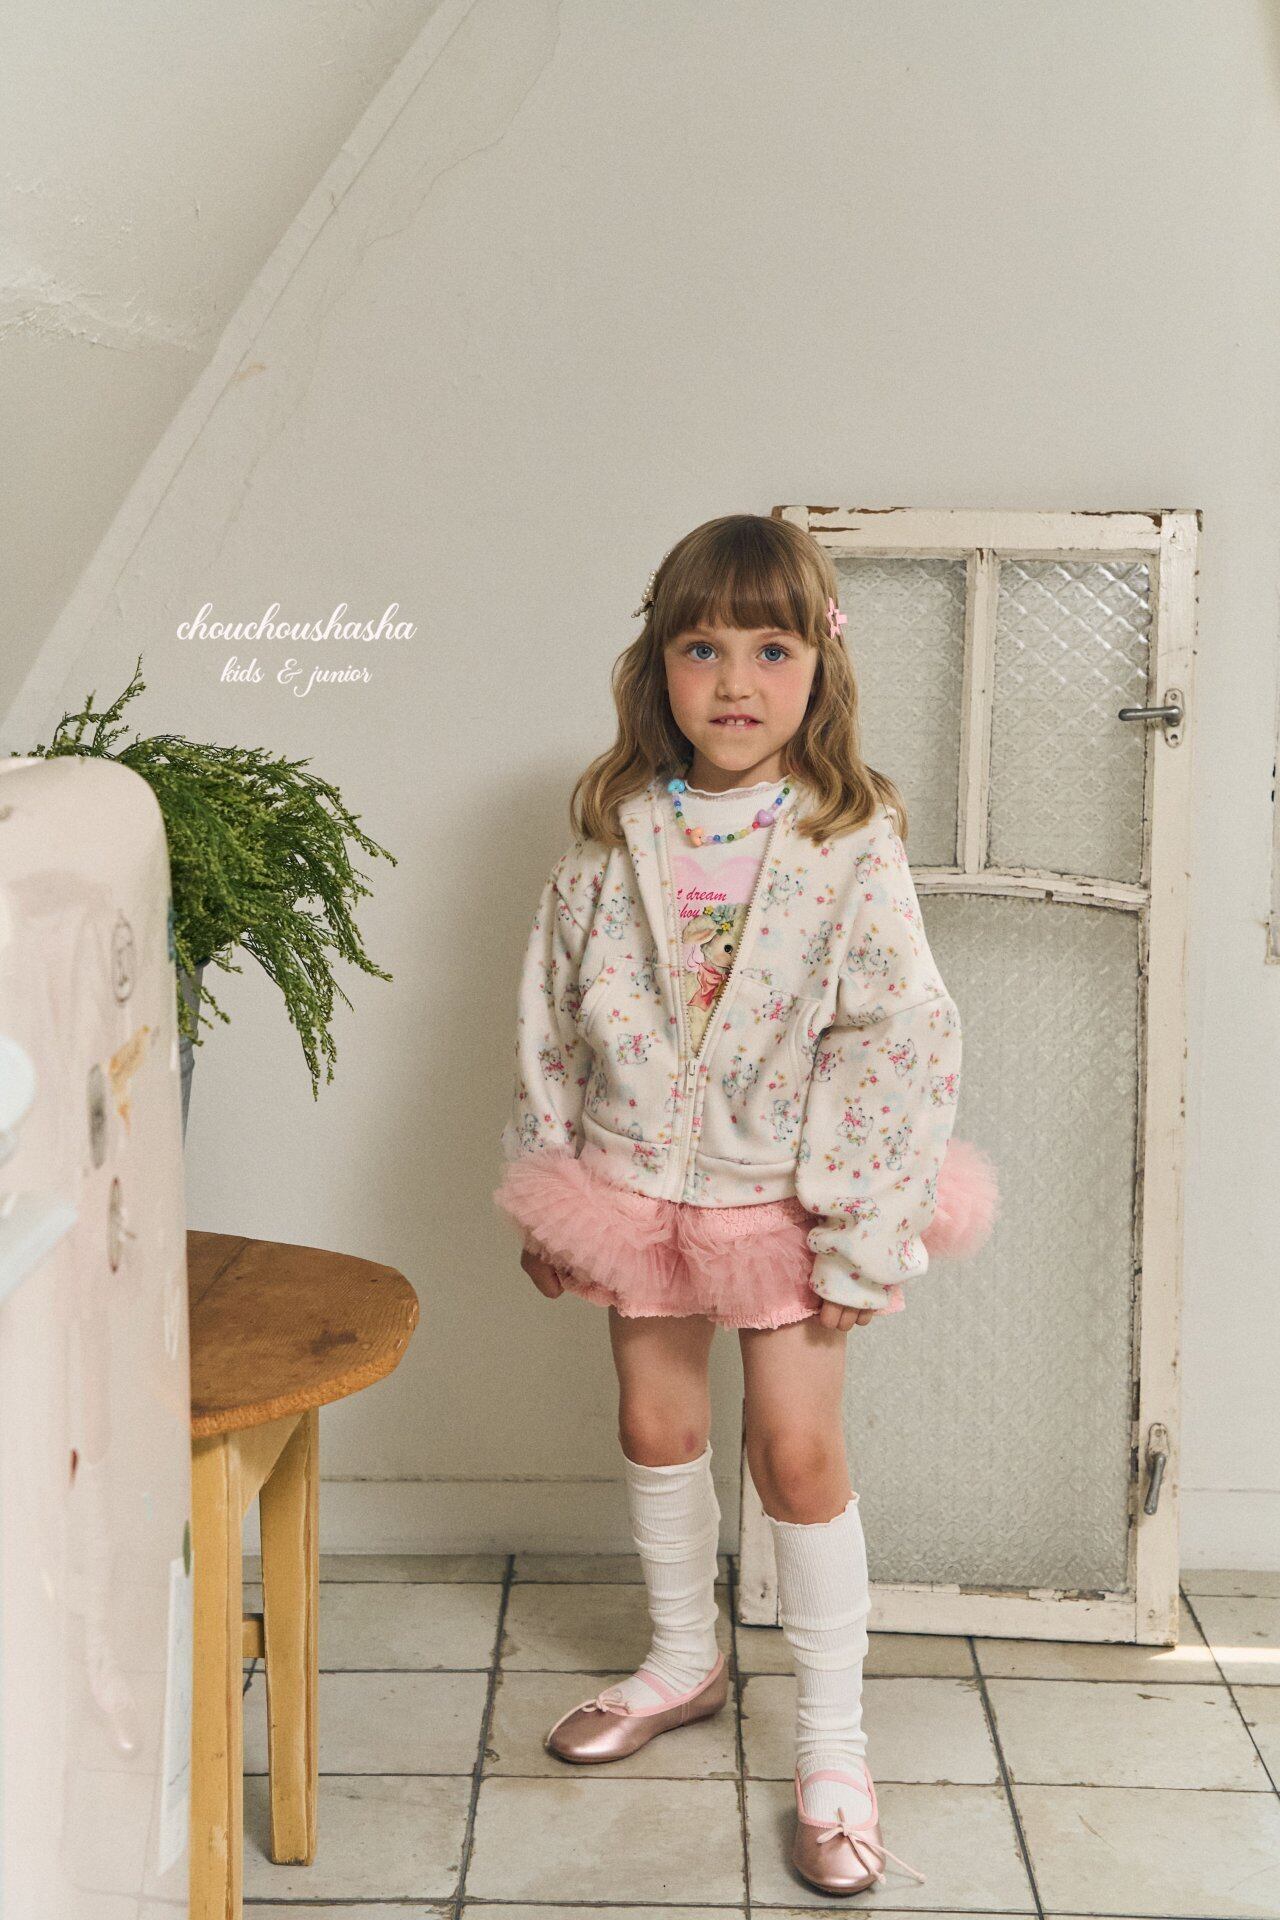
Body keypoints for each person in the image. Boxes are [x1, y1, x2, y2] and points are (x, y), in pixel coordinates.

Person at [493, 512, 997, 1896]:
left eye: (771, 649)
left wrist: (866, 1225)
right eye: (702, 647)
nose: (733, 681)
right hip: (638, 1187)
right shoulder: (610, 845)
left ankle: (834, 1748)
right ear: (656, 665)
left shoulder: (849, 842)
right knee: (654, 1424)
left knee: (795, 1455)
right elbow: (549, 1024)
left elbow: (900, 1035)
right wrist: (550, 1186)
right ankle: (682, 1661)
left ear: (819, 666)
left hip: (788, 1197)